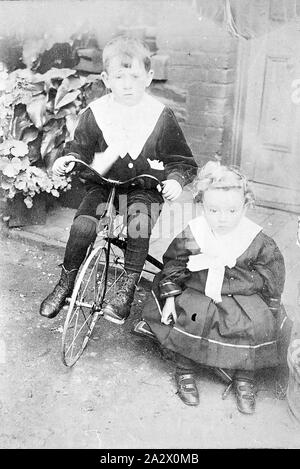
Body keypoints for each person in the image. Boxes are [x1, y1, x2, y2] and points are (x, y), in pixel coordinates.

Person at [39, 35, 197, 325]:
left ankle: (126, 287)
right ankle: (66, 282)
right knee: (84, 225)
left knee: (139, 223)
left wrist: (175, 179)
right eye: (119, 76)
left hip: (143, 188)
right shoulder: (96, 113)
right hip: (102, 184)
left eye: (135, 76)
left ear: (148, 78)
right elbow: (79, 149)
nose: (127, 84)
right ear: (106, 79)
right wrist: (66, 160)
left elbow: (182, 161)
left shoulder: (159, 116)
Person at [140, 161, 290, 414]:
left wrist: (269, 307)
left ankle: (245, 378)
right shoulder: (195, 232)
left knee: (253, 325)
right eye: (214, 211)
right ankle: (185, 370)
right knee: (190, 318)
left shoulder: (256, 239)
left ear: (245, 206)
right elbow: (175, 264)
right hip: (199, 292)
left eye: (232, 211)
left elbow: (271, 273)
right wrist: (168, 299)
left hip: (241, 297)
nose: (223, 219)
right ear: (202, 206)